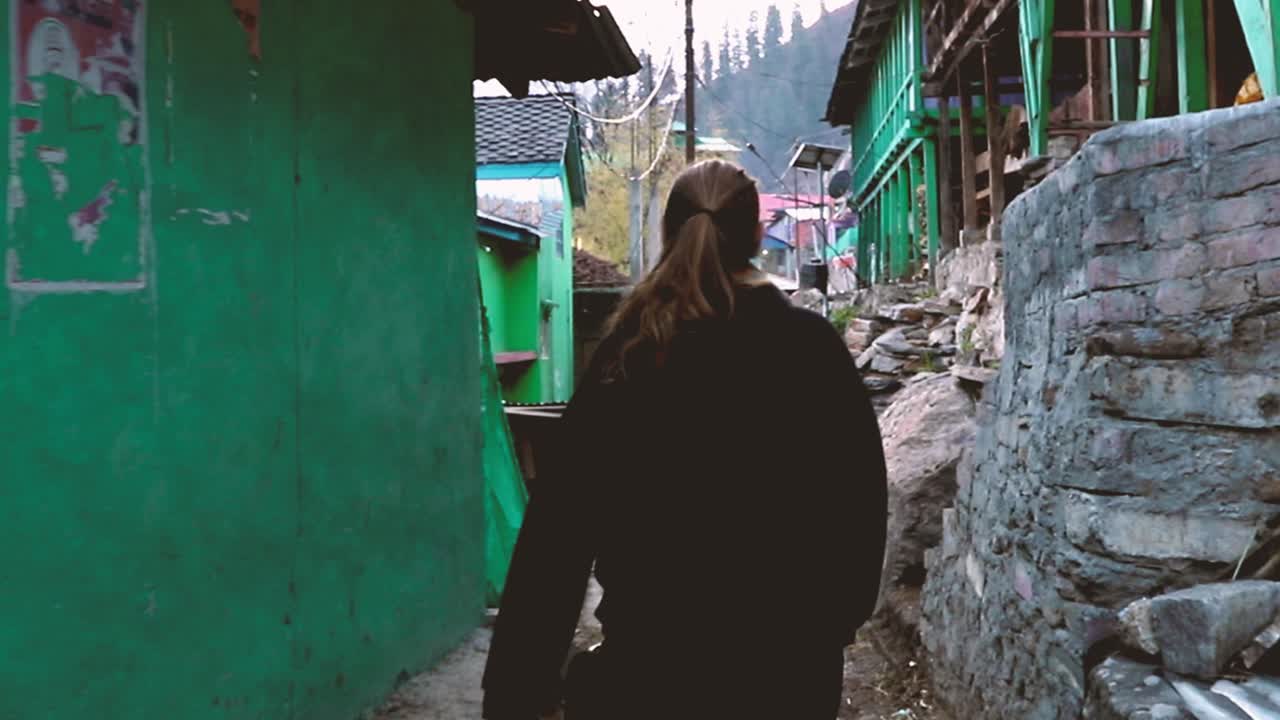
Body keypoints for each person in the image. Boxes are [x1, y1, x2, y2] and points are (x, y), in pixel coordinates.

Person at [482, 159, 888, 720]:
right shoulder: (809, 349)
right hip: (787, 678)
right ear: (752, 236)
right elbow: (859, 505)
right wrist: (831, 624)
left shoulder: (629, 355)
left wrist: (518, 690)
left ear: (669, 233)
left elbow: (559, 532)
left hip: (648, 678)